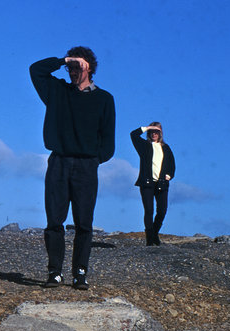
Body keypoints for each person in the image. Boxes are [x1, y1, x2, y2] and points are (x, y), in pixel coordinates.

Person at [30, 47, 116, 290]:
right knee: (54, 221)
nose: (73, 71)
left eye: (79, 66)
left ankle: (80, 272)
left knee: (84, 224)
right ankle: (54, 272)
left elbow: (108, 141)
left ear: (90, 68)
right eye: (71, 67)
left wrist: (93, 160)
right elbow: (36, 70)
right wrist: (63, 60)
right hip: (58, 162)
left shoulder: (104, 99)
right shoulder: (57, 91)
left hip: (87, 166)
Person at [131, 122, 175, 245]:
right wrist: (148, 127)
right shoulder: (144, 146)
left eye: (157, 132)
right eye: (152, 132)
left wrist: (169, 175)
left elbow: (172, 164)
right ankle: (150, 239)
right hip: (147, 183)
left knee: (162, 211)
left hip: (162, 184)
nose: (154, 134)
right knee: (149, 211)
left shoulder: (166, 147)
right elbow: (133, 135)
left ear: (160, 133)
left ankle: (154, 233)